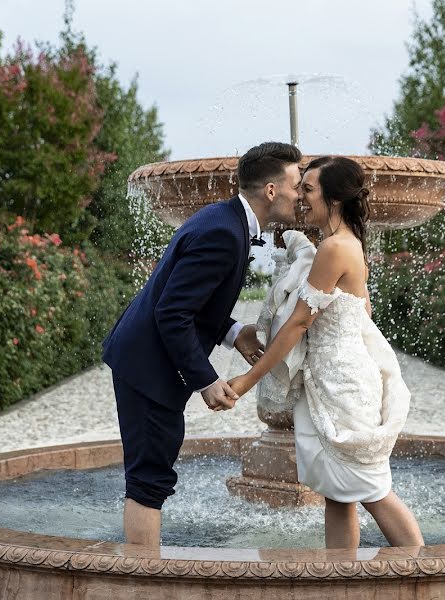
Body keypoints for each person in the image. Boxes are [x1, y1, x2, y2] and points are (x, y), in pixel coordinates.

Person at [103, 142, 302, 546]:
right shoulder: (224, 233)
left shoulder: (225, 221)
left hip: (144, 362)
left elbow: (190, 303)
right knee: (148, 481)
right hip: (148, 370)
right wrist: (206, 380)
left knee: (150, 476)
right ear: (270, 191)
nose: (299, 195)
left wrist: (232, 332)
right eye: (296, 185)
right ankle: (143, 586)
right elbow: (171, 313)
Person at [229, 156, 424, 549]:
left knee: (372, 489)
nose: (300, 196)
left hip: (340, 385)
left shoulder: (335, 248)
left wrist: (248, 379)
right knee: (338, 492)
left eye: (308, 189)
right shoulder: (342, 242)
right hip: (333, 378)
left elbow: (300, 322)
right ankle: (342, 581)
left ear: (334, 199)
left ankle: (426, 578)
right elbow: (362, 312)